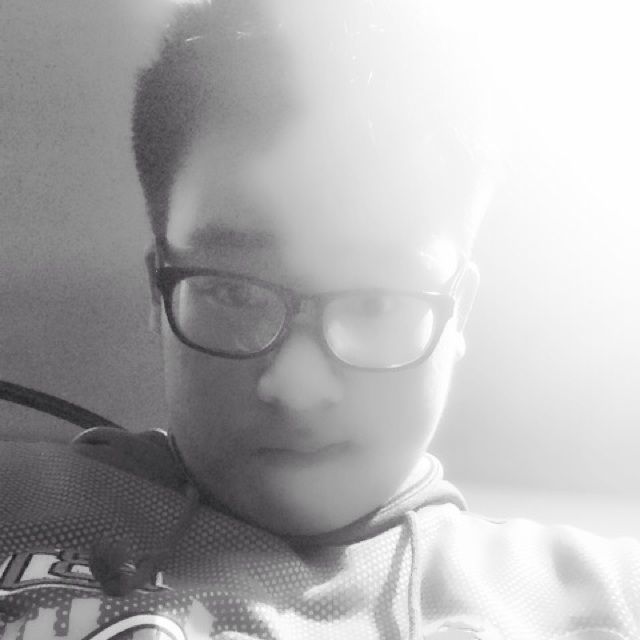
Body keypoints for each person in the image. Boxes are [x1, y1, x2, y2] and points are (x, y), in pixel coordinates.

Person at [1, 1, 639, 639]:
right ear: (156, 289)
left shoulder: (603, 598)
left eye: (376, 302)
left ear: (459, 311)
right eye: (233, 293)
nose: (297, 387)